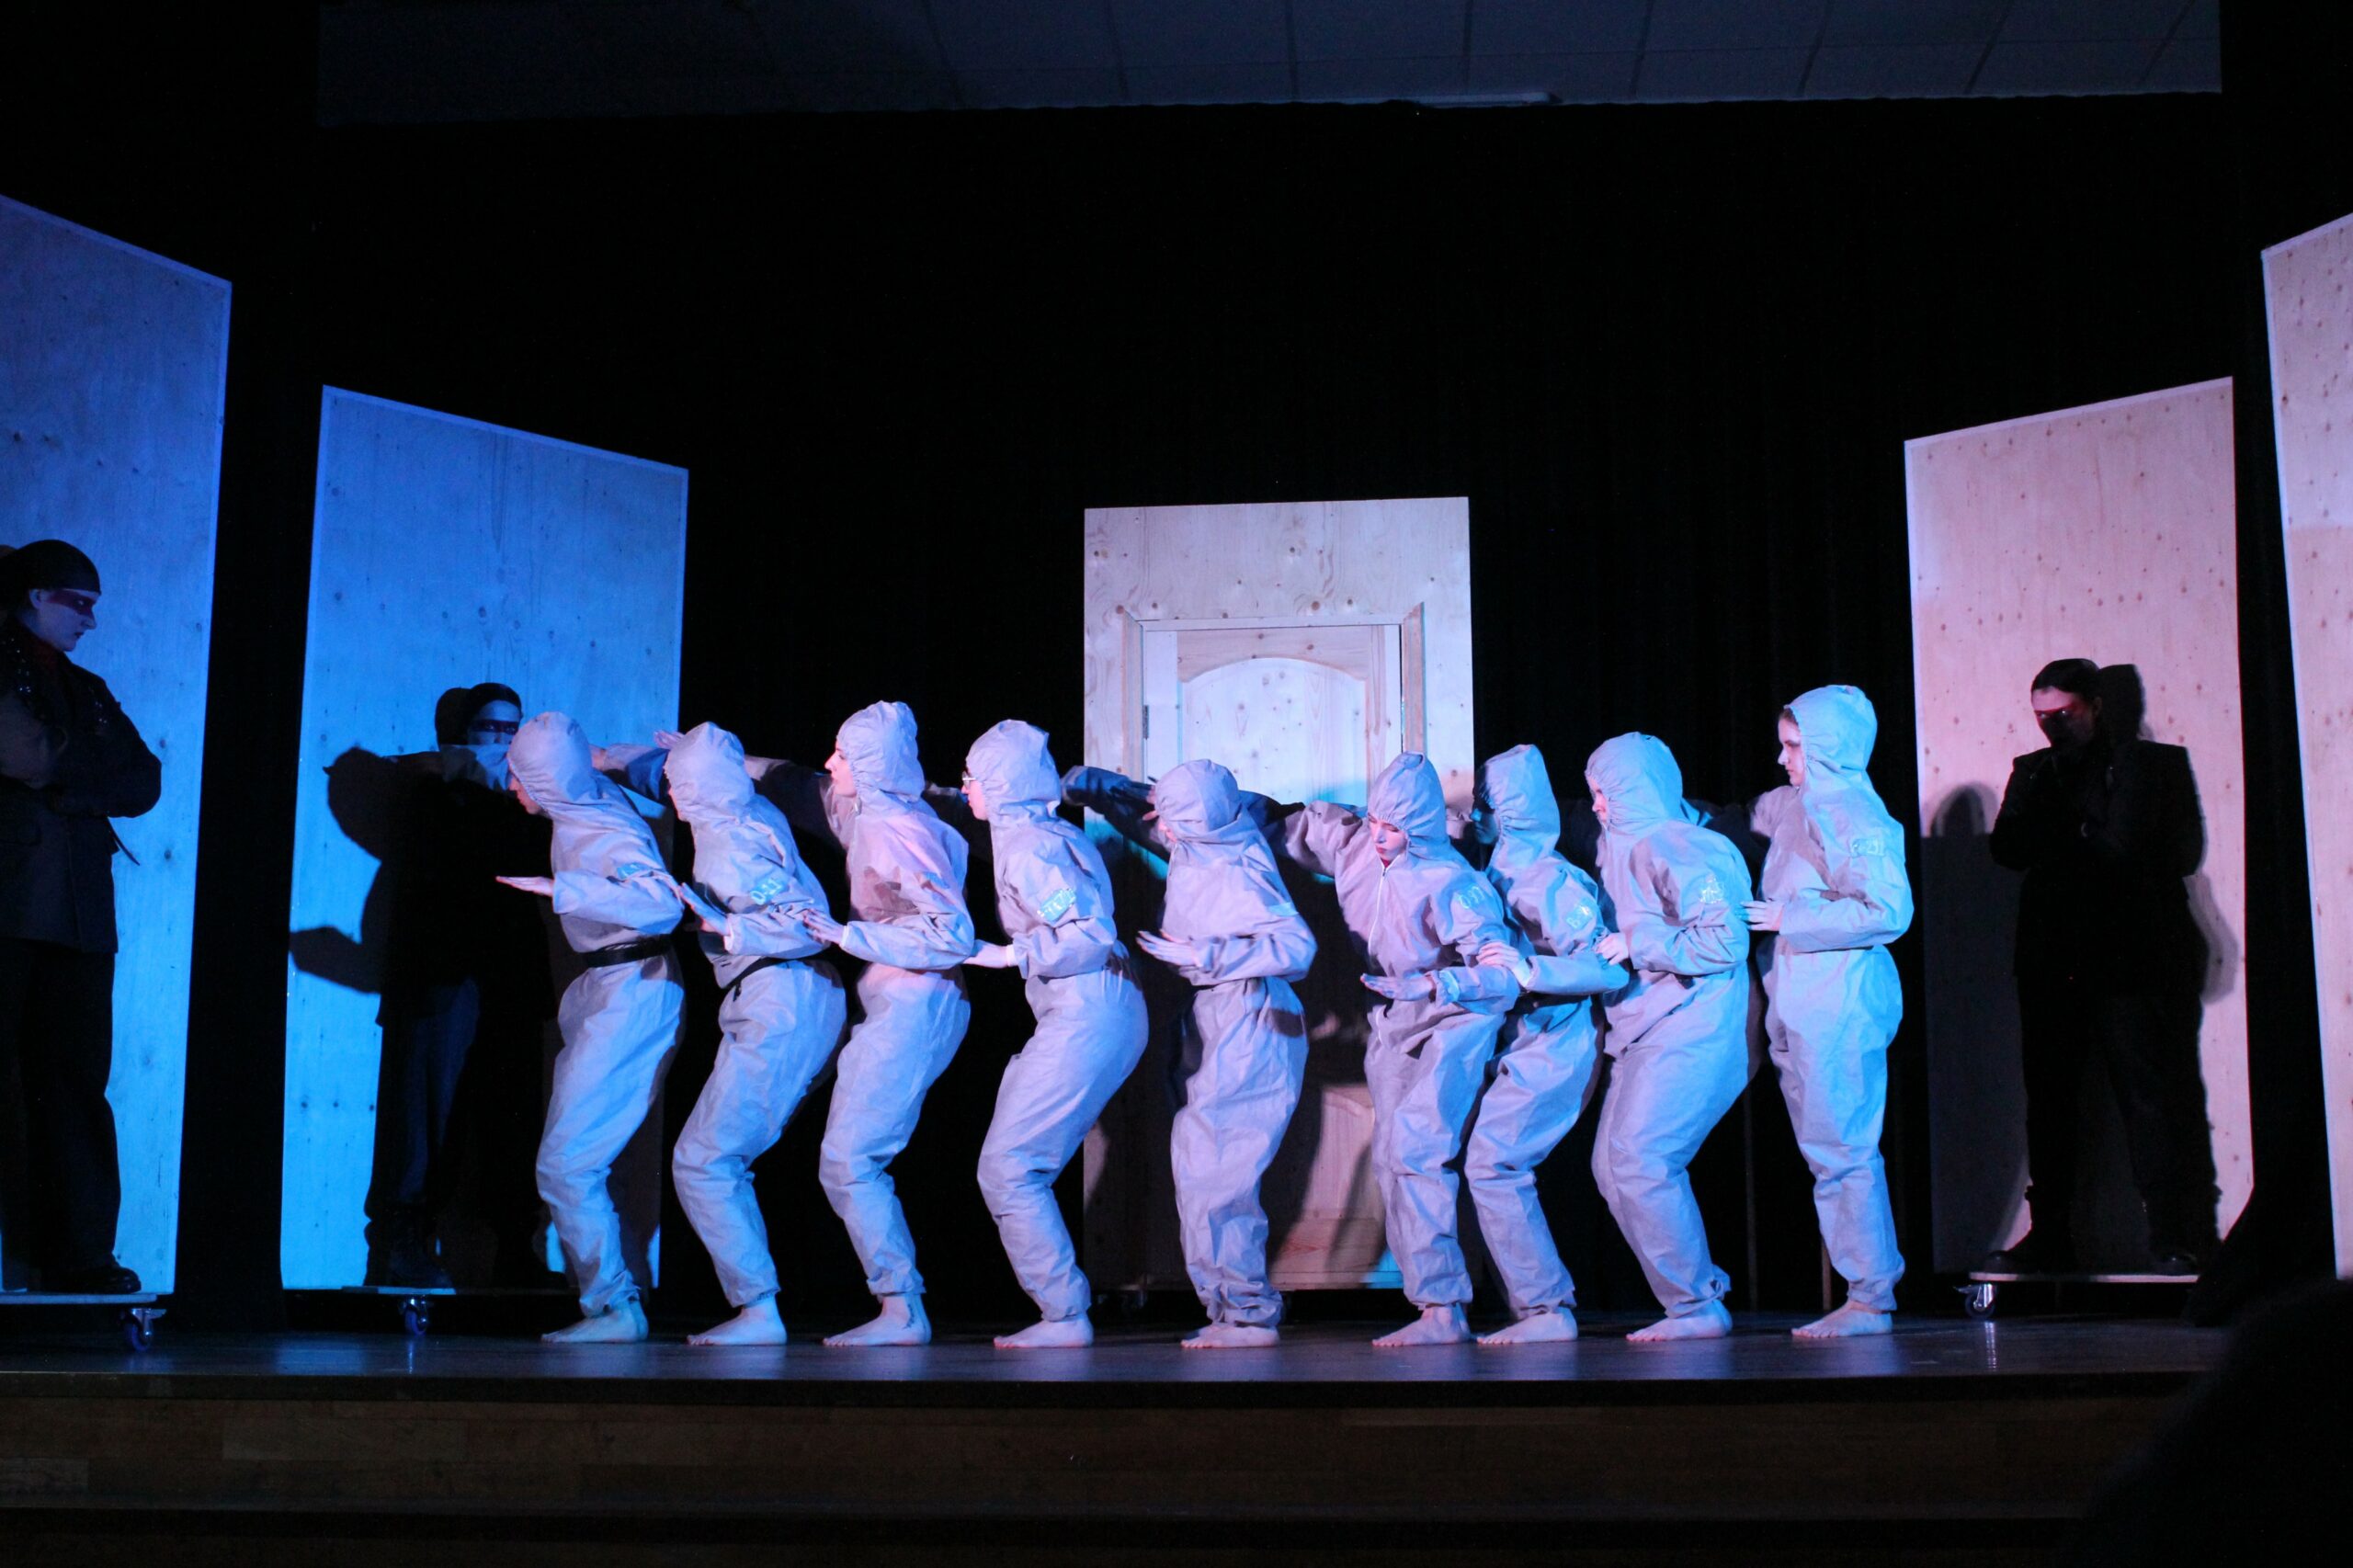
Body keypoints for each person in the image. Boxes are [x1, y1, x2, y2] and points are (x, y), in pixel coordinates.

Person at [699, 701, 976, 1348]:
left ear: (872, 765)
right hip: (890, 1000)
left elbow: (952, 935)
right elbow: (799, 783)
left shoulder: (901, 829)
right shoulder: (873, 811)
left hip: (917, 1004)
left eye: (844, 756)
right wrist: (712, 758)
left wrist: (847, 935)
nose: (831, 764)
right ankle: (887, 1305)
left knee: (851, 1160)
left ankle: (902, 1309)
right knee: (839, 1157)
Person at [1265, 753, 1521, 1347]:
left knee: (1417, 1150)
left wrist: (1434, 984)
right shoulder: (1355, 844)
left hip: (1455, 1018)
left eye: (1395, 828)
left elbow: (1502, 977)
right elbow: (1265, 821)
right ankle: (1434, 1304)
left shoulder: (1455, 883)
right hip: (1394, 1014)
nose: (1379, 837)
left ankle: (1444, 1308)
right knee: (1391, 1158)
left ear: (1422, 828)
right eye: (1376, 822)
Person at [1062, 758, 1318, 1348]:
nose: (1161, 828)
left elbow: (1297, 946)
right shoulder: (1205, 836)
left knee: (1218, 1173)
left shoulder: (1236, 866)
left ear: (1196, 823)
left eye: (1172, 820)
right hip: (1220, 1017)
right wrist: (1092, 786)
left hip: (1252, 1017)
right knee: (1201, 1165)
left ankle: (1247, 1314)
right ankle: (1231, 1307)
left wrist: (1209, 956)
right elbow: (1149, 807)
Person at [624, 722, 848, 1346]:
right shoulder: (747, 809)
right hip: (788, 996)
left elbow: (807, 924)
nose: (669, 793)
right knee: (719, 1156)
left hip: (783, 1001)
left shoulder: (731, 843)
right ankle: (759, 1307)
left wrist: (728, 927)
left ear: (698, 787)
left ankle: (758, 1310)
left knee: (705, 1159)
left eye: (677, 783)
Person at [1986, 658, 2211, 1274]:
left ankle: (2173, 1236)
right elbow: (2005, 847)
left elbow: (2131, 848)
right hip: (2051, 958)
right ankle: (2052, 1236)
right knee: (2051, 1102)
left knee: (2149, 1095)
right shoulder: (2035, 769)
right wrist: (2080, 832)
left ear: (2096, 705)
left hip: (2127, 957)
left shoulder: (2146, 764)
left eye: (2064, 713)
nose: (2052, 727)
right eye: (2042, 717)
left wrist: (2065, 835)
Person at [957, 720, 1149, 1348]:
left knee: (1009, 1167)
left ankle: (1064, 1315)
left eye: (973, 777)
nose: (965, 788)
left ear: (1003, 784)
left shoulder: (1031, 847)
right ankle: (1063, 1312)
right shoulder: (1040, 832)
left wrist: (1005, 955)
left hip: (1089, 1010)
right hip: (1092, 1008)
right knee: (1012, 1164)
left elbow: (1089, 935)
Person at [0, 540, 159, 1295]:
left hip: (78, 915)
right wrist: (85, 772)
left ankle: (80, 1253)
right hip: (12, 903)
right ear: (36, 595)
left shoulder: (85, 686)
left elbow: (145, 779)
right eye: (79, 603)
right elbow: (24, 752)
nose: (90, 621)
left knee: (75, 1086)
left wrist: (69, 779)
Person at [497, 711, 686, 1344]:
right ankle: (616, 1300)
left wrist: (564, 889)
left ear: (547, 783)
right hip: (605, 986)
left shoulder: (602, 828)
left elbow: (660, 903)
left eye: (520, 778)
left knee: (566, 1164)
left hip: (632, 990)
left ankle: (613, 1308)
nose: (511, 788)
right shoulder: (584, 797)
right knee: (585, 1158)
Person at [363, 682, 552, 1289]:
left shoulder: (528, 798)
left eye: (512, 730)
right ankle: (402, 1243)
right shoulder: (433, 791)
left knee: (512, 1116)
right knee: (423, 1115)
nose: (503, 741)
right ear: (464, 733)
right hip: (443, 975)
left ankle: (516, 1251)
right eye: (491, 728)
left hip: (507, 976)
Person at [1738, 687, 1912, 1337]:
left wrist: (1791, 916)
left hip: (1839, 999)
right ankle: (1865, 1292)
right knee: (1827, 1151)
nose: (1783, 758)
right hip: (1799, 997)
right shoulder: (1797, 804)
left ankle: (1871, 1297)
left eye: (1795, 747)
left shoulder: (1855, 815)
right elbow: (1739, 817)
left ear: (1830, 748)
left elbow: (1888, 910)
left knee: (1844, 1149)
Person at [1584, 733, 1752, 1342]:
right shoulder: (1616, 846)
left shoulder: (1686, 846)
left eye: (1605, 792)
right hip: (1642, 1026)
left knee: (1642, 1159)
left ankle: (1696, 1305)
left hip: (1696, 1023)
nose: (1597, 806)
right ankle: (1693, 1293)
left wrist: (1638, 944)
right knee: (1613, 1168)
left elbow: (1725, 941)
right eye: (1593, 793)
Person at [1461, 744, 1628, 1346]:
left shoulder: (1551, 879)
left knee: (1495, 1163)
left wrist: (1531, 970)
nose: (1475, 816)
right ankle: (1534, 1306)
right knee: (1486, 1163)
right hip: (1522, 1043)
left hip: (1558, 1045)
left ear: (1511, 812)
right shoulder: (1496, 872)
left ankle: (1546, 1310)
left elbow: (1607, 967)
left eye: (1486, 805)